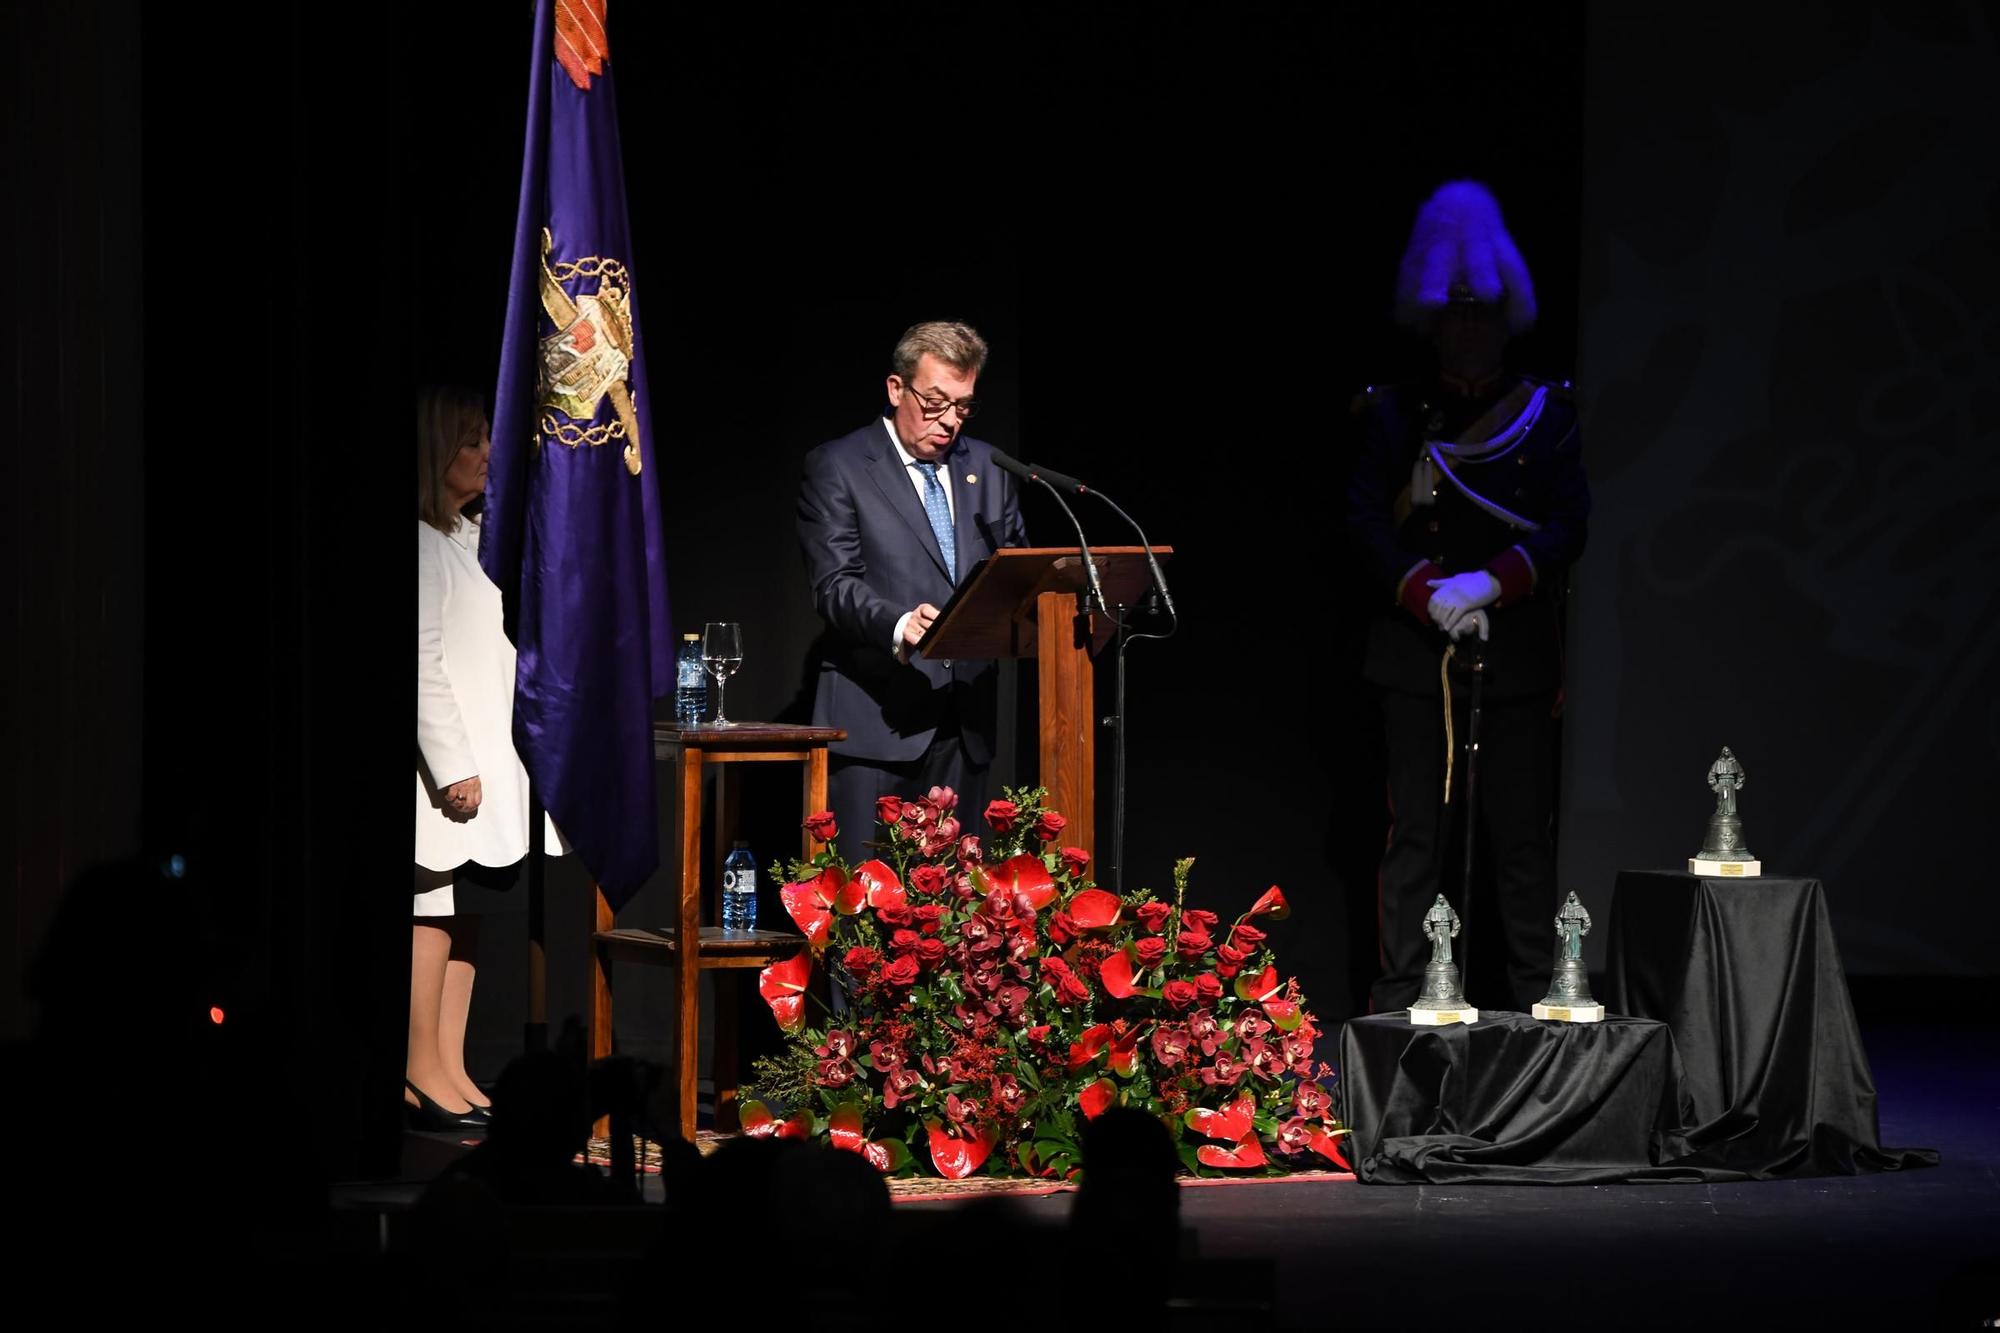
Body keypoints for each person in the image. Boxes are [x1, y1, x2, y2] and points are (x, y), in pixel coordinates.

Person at [1348, 181, 1591, 1014]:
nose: (1471, 328)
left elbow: (1570, 525)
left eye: (1484, 312)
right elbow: (1363, 523)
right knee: (1415, 841)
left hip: (1515, 654)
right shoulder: (1393, 414)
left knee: (1521, 846)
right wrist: (1425, 592)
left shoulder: (1546, 415)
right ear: (1433, 319)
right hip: (1420, 660)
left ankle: (1535, 1004)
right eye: (1456, 313)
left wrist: (1493, 579)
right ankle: (1399, 1005)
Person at [796, 321, 1027, 862]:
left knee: (952, 922)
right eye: (935, 402)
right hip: (879, 718)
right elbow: (833, 583)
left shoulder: (989, 469)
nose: (949, 421)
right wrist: (899, 624)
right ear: (896, 389)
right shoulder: (840, 466)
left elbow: (1015, 570)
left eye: (963, 406)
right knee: (865, 917)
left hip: (964, 723)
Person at [414, 386, 560, 1131]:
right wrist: (451, 765)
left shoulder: (461, 539)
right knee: (431, 911)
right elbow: (422, 665)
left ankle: (449, 1062)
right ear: (436, 453)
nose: (486, 455)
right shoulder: (418, 543)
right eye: (471, 443)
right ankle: (415, 1068)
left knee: (466, 913)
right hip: (447, 771)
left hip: (482, 758)